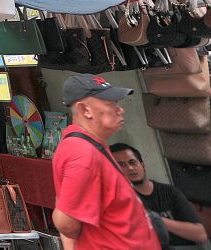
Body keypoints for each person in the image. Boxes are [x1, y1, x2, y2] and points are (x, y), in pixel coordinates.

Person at [52, 75, 160, 250]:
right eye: (112, 104)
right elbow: (66, 223)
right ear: (85, 109)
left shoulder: (89, 145)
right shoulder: (82, 154)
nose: (120, 110)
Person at [111, 142, 207, 248]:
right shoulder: (122, 201)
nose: (130, 168)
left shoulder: (169, 191)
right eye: (122, 165)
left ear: (142, 165)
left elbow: (201, 235)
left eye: (132, 162)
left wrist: (156, 220)